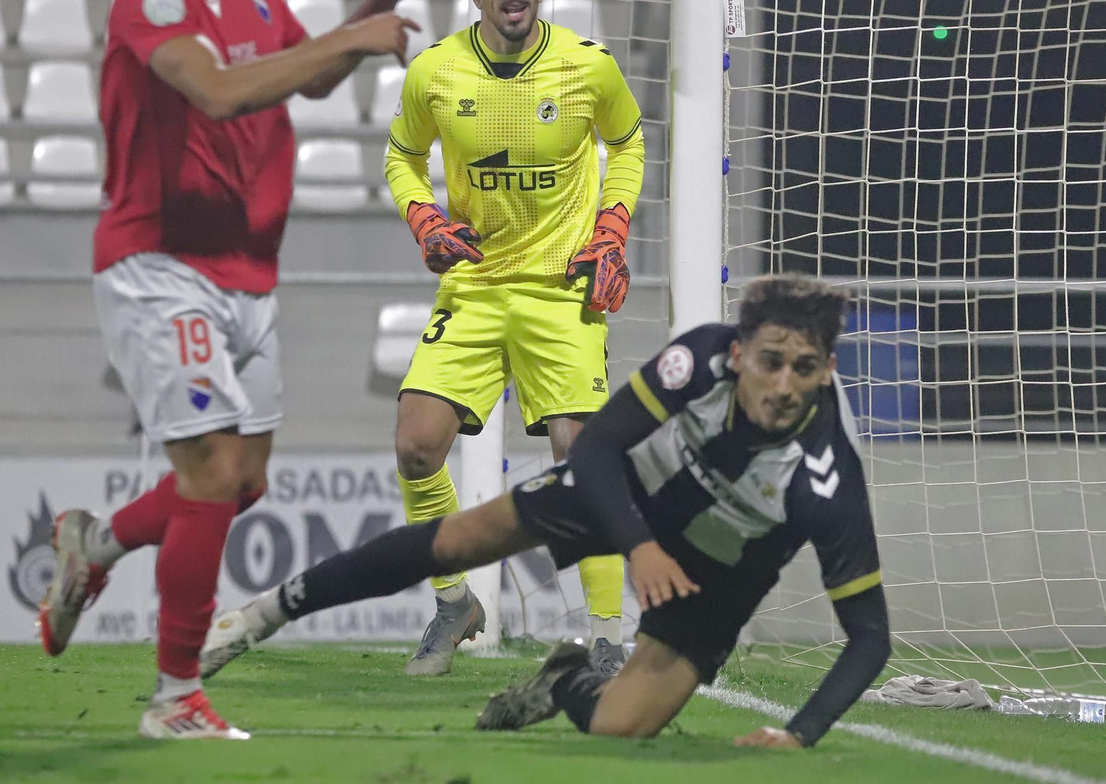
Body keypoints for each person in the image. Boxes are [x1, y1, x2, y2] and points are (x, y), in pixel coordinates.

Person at [35, 0, 448, 740]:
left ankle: (94, 549)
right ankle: (175, 696)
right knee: (212, 473)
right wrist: (349, 37)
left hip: (251, 271)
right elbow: (218, 94)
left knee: (240, 481)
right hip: (160, 264)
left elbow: (306, 73)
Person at [203, 275, 892, 750]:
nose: (782, 384)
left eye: (803, 368)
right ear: (739, 353)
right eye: (770, 361)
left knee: (622, 729)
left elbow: (869, 637)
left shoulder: (827, 482)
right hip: (637, 486)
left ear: (828, 369)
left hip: (723, 563)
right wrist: (638, 545)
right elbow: (596, 448)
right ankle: (258, 616)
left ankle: (566, 677)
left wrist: (799, 734)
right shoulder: (701, 358)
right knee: (463, 540)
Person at [369, 0, 646, 676]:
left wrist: (613, 229)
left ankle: (608, 640)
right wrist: (422, 215)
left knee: (580, 457)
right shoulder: (435, 72)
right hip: (476, 283)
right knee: (415, 442)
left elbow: (628, 144)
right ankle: (454, 603)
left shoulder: (587, 67)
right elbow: (400, 155)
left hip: (563, 289)